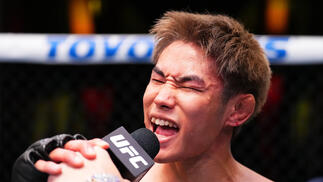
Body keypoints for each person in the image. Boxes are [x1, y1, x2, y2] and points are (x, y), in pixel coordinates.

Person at [12, 10, 272, 182]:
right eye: (158, 79)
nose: (162, 97)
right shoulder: (105, 167)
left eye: (189, 86)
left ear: (238, 110)